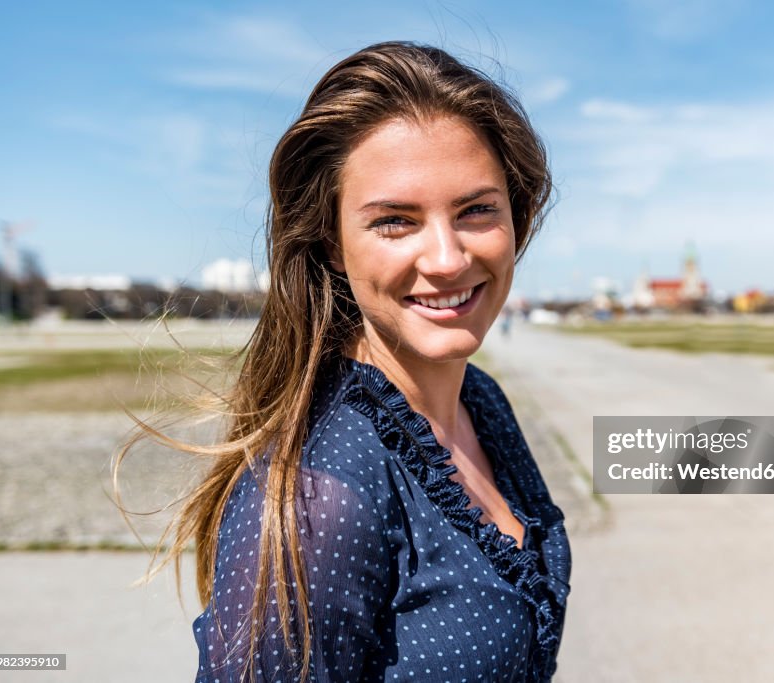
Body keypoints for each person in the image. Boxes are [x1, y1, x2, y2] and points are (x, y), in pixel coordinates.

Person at [126, 41, 571, 682]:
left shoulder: (484, 402)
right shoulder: (320, 494)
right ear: (332, 243)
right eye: (395, 220)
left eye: (476, 209)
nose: (447, 258)